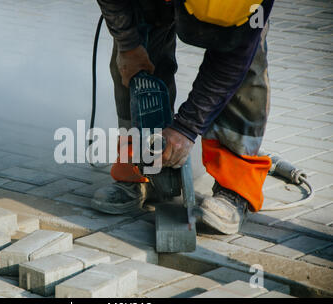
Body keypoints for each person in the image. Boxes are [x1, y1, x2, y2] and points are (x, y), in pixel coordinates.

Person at [92, 0, 275, 235]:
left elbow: (231, 62)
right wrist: (128, 45)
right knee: (135, 58)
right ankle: (142, 165)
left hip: (234, 12)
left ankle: (235, 186)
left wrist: (186, 128)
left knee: (246, 66)